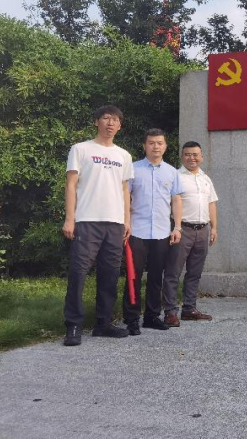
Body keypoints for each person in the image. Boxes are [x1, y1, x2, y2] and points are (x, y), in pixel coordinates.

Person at [62, 105, 134, 347]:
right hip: (87, 220)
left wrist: (127, 220)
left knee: (110, 275)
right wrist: (70, 218)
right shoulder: (81, 149)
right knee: (78, 273)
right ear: (96, 122)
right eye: (106, 118)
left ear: (120, 126)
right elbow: (71, 185)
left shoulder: (123, 155)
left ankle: (103, 324)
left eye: (115, 120)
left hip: (114, 223)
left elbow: (125, 190)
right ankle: (73, 325)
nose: (110, 123)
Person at [123, 128, 183, 335]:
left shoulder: (172, 172)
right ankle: (131, 318)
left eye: (159, 143)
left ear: (165, 146)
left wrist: (177, 227)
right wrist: (125, 223)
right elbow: (125, 197)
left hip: (162, 232)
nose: (155, 146)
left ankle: (151, 316)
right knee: (134, 276)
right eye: (151, 143)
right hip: (136, 231)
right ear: (144, 146)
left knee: (156, 276)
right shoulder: (133, 169)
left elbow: (176, 200)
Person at [162, 141, 218, 327]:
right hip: (182, 229)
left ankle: (189, 309)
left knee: (195, 272)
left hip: (202, 230)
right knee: (173, 272)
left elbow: (211, 204)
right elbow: (171, 202)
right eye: (187, 154)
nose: (192, 158)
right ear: (182, 156)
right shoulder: (176, 177)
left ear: (202, 157)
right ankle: (170, 312)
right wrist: (176, 227)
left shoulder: (205, 178)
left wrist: (214, 228)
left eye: (195, 154)